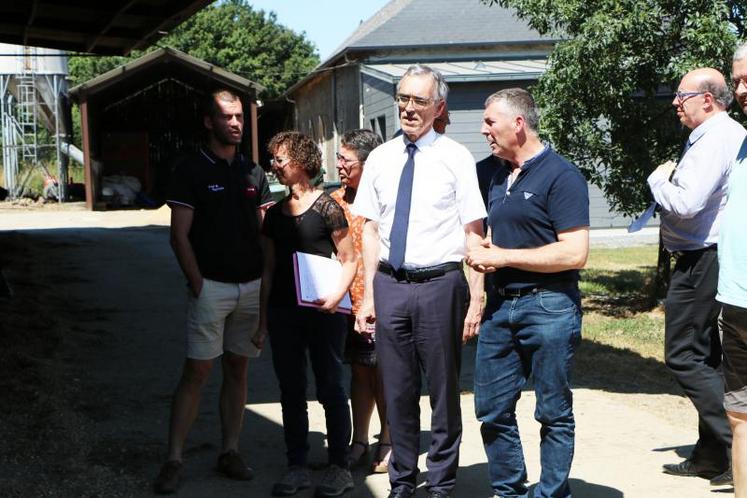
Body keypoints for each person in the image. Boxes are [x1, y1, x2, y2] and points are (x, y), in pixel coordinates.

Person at [353, 64, 486, 498]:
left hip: (440, 287)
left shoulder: (456, 157)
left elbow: (474, 231)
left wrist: (476, 299)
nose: (409, 109)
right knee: (397, 389)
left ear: (438, 107)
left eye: (420, 101)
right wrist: (369, 294)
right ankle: (403, 481)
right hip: (391, 285)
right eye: (403, 99)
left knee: (444, 391)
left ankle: (442, 483)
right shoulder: (380, 158)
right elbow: (369, 230)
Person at [466, 88, 589, 498]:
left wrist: (503, 257)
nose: (483, 130)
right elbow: (474, 235)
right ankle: (509, 492)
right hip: (500, 308)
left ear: (518, 124)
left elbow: (575, 252)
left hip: (550, 304)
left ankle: (551, 494)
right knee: (492, 409)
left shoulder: (562, 175)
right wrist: (477, 294)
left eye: (489, 122)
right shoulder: (489, 173)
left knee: (552, 411)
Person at [154, 88, 274, 494]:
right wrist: (198, 283)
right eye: (227, 117)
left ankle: (230, 451)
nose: (236, 123)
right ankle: (173, 459)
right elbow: (179, 236)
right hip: (212, 288)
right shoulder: (190, 169)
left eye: (240, 116)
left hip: (251, 287)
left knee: (238, 369)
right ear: (209, 122)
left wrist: (266, 290)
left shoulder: (253, 172)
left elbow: (264, 236)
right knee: (198, 371)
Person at [650, 68, 744, 486]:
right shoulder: (714, 135)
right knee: (705, 356)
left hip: (703, 259)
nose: (675, 102)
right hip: (700, 257)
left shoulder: (718, 136)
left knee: (683, 355)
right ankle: (711, 456)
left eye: (681, 94)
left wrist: (657, 179)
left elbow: (686, 203)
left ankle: (732, 445)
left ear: (707, 99)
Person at [260, 131, 357, 497]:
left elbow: (350, 259)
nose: (275, 165)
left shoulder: (328, 208)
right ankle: (296, 465)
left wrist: (336, 298)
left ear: (300, 161)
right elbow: (268, 270)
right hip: (284, 313)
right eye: (274, 159)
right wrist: (261, 319)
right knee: (291, 389)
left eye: (280, 159)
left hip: (324, 312)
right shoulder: (274, 216)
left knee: (331, 386)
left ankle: (340, 467)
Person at [330, 129, 392, 474]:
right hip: (346, 303)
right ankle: (360, 440)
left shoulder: (386, 197)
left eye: (346, 161)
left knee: (384, 372)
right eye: (339, 159)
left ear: (368, 164)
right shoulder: (335, 200)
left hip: (381, 298)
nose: (339, 166)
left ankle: (388, 439)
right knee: (358, 371)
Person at [718, 45, 747, 498]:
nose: (740, 91)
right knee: (740, 419)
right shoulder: (742, 143)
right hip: (737, 305)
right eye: (737, 81)